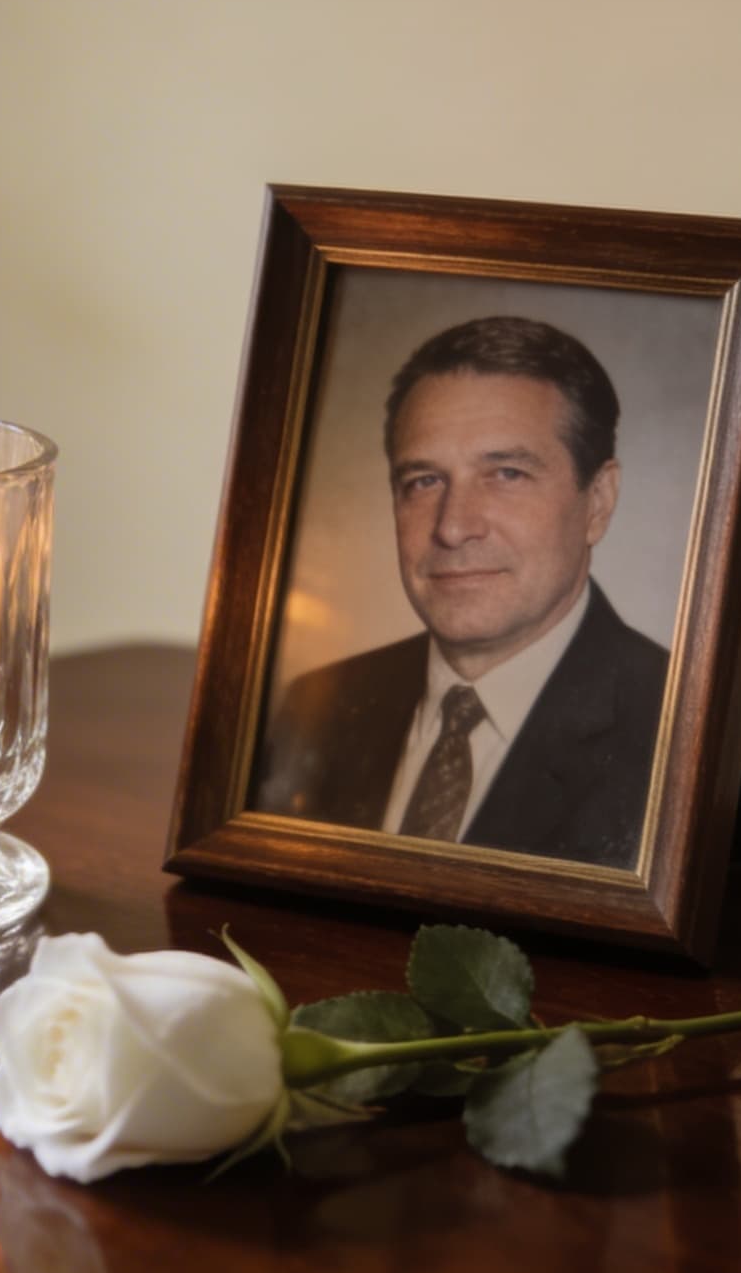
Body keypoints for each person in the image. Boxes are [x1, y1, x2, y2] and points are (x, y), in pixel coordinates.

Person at [251, 315, 668, 868]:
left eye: (507, 474)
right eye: (423, 482)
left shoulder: (680, 736)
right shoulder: (318, 705)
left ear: (598, 501)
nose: (452, 527)